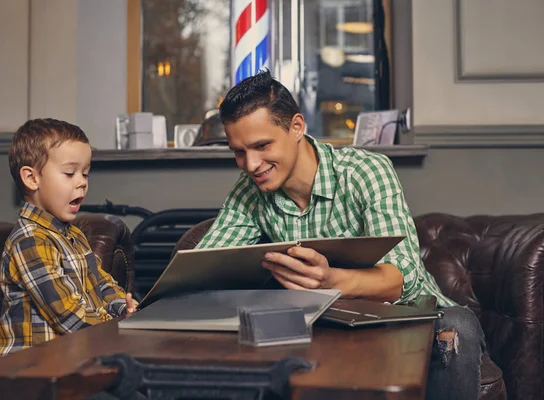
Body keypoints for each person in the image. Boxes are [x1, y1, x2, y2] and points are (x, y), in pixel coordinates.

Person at [196, 71, 485, 399]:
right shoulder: (249, 191)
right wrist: (144, 303)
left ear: (296, 127)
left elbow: (399, 278)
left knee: (458, 326)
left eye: (262, 146)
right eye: (238, 152)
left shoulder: (366, 171)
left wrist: (328, 280)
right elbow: (202, 267)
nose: (250, 164)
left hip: (408, 315)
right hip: (325, 324)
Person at [0, 118, 137, 356]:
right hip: (35, 365)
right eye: (70, 173)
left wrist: (124, 306)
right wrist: (117, 327)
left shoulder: (75, 236)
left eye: (85, 173)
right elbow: (67, 315)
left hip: (76, 354)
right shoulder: (31, 240)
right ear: (32, 178)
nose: (82, 182)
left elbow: (102, 283)